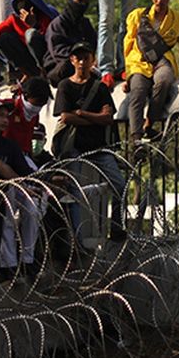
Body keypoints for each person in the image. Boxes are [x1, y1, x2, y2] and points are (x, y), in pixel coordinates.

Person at [53, 43, 127, 240]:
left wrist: (83, 113)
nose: (82, 62)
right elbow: (66, 117)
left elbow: (108, 118)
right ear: (72, 60)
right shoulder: (65, 86)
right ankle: (75, 239)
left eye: (86, 58)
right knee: (74, 192)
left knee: (120, 186)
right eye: (78, 58)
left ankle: (117, 228)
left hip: (99, 147)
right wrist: (95, 118)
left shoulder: (100, 87)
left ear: (92, 59)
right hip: (74, 147)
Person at [0, 98, 40, 283]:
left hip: (3, 194)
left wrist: (46, 180)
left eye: (7, 116)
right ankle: (6, 266)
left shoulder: (9, 146)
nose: (5, 119)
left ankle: (21, 263)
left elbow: (25, 171)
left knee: (28, 212)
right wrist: (20, 184)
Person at [123, 0, 179, 140]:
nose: (160, 1)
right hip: (138, 62)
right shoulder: (136, 16)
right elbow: (127, 44)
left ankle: (149, 124)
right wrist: (127, 73)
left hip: (163, 61)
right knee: (138, 90)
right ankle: (136, 137)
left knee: (163, 81)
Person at [0, 0, 59, 81]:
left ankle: (44, 71)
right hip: (29, 57)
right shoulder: (14, 19)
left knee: (31, 34)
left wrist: (34, 25)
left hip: (47, 56)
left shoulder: (48, 14)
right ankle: (27, 73)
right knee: (3, 38)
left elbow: (53, 38)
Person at [44, 0, 96, 86]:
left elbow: (92, 45)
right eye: (79, 1)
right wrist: (78, 57)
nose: (82, 5)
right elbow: (58, 51)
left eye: (85, 2)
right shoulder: (58, 24)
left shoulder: (85, 23)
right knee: (66, 65)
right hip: (59, 65)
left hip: (84, 65)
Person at [4, 77, 52, 155]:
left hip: (23, 154)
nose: (38, 107)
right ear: (26, 95)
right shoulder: (8, 109)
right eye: (37, 102)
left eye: (42, 104)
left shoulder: (34, 115)